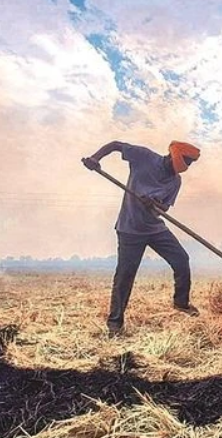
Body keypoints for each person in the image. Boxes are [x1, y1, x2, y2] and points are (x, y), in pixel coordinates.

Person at [82, 140, 202, 337]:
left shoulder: (175, 181)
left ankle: (181, 302)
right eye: (185, 162)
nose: (185, 167)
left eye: (189, 164)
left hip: (155, 229)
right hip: (130, 229)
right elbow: (115, 145)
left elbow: (163, 209)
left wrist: (154, 204)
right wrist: (96, 158)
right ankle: (115, 324)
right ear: (173, 157)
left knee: (182, 260)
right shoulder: (144, 157)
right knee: (125, 276)